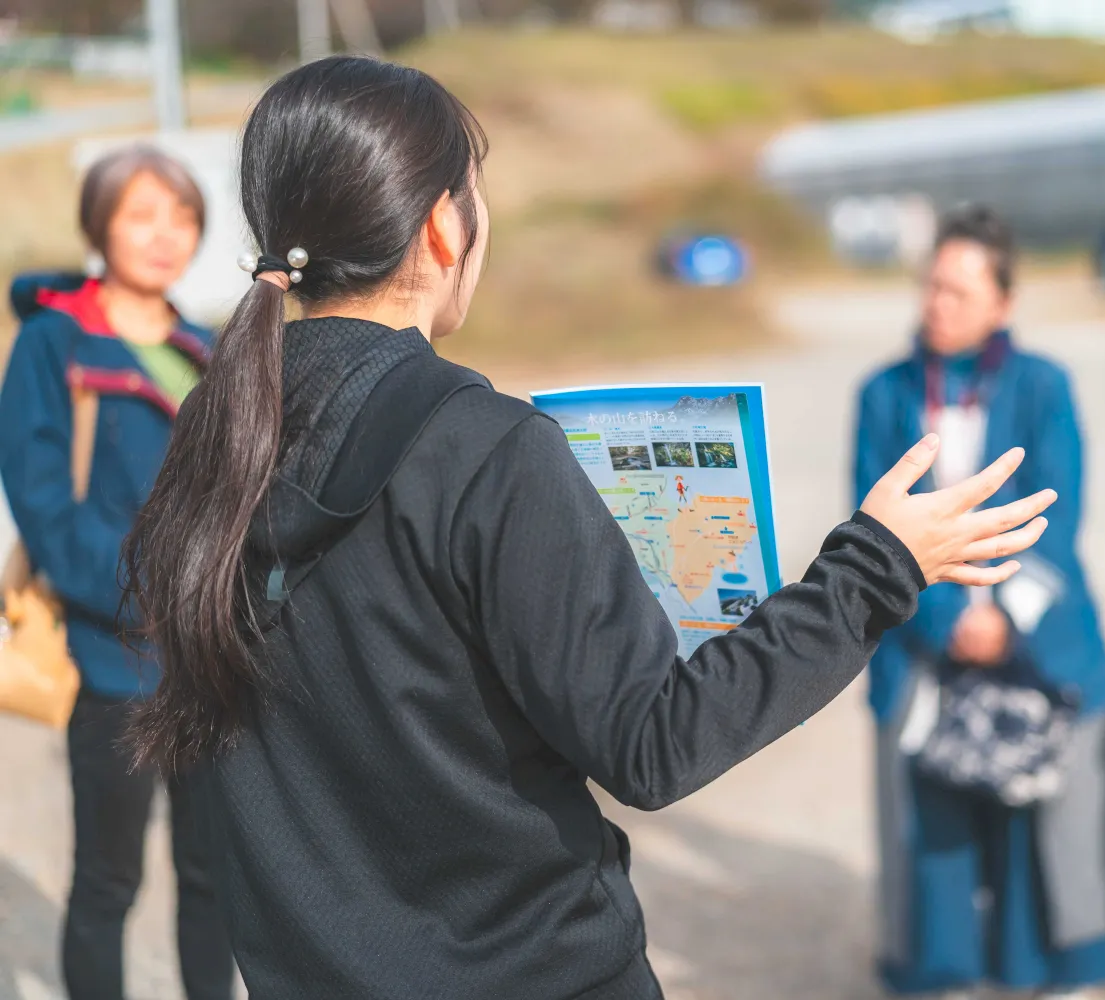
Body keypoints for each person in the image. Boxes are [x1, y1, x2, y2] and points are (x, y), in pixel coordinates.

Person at [119, 57, 1057, 1000]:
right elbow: (654, 743)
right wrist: (875, 569)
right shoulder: (487, 451)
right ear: (445, 225)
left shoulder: (211, 439)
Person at [855, 206, 1105, 1000]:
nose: (934, 304)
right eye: (929, 287)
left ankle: (1056, 975)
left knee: (1050, 830)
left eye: (955, 289)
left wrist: (1004, 616)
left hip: (1039, 635)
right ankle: (939, 974)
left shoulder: (1044, 386)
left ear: (1002, 303)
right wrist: (950, 621)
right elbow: (869, 523)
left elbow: (1061, 513)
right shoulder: (883, 393)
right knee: (932, 835)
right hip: (924, 636)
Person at [0, 148, 234, 1000]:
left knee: (215, 885)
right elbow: (42, 504)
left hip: (210, 664)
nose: (165, 236)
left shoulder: (204, 345)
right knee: (108, 883)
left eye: (181, 217)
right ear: (99, 224)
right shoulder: (53, 342)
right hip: (115, 660)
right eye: (142, 214)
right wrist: (152, 596)